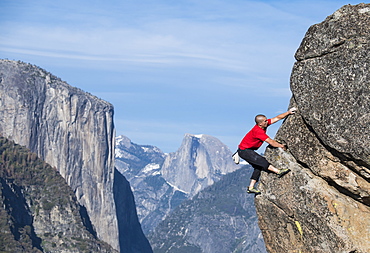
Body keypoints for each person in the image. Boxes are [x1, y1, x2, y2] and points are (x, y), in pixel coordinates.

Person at [238, 107, 296, 194]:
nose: (267, 121)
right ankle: (278, 171)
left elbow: (277, 118)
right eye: (265, 121)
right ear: (260, 123)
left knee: (258, 167)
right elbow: (271, 141)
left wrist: (288, 112)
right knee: (262, 161)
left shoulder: (263, 125)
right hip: (244, 151)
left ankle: (251, 187)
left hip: (246, 150)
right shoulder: (258, 131)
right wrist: (281, 146)